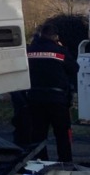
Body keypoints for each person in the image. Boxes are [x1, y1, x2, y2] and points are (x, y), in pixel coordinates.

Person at [19, 22, 77, 165]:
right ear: (55, 36)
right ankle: (66, 163)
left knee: (38, 134)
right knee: (62, 133)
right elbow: (74, 68)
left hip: (35, 98)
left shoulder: (29, 51)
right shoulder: (60, 52)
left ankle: (40, 163)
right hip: (57, 99)